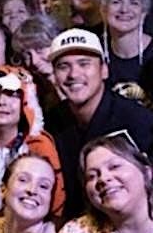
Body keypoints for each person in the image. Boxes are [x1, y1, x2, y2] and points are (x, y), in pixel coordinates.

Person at [45, 27, 153, 218]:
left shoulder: (137, 120)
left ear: (104, 70)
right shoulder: (52, 121)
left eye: (84, 64)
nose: (73, 74)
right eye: (63, 66)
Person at [0, 66, 65, 218]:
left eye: (12, 95)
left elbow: (56, 204)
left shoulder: (39, 145)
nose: (1, 102)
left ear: (26, 102)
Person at [100, 0, 153, 97]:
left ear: (143, 12)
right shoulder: (95, 54)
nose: (124, 9)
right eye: (116, 2)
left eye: (134, 3)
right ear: (104, 9)